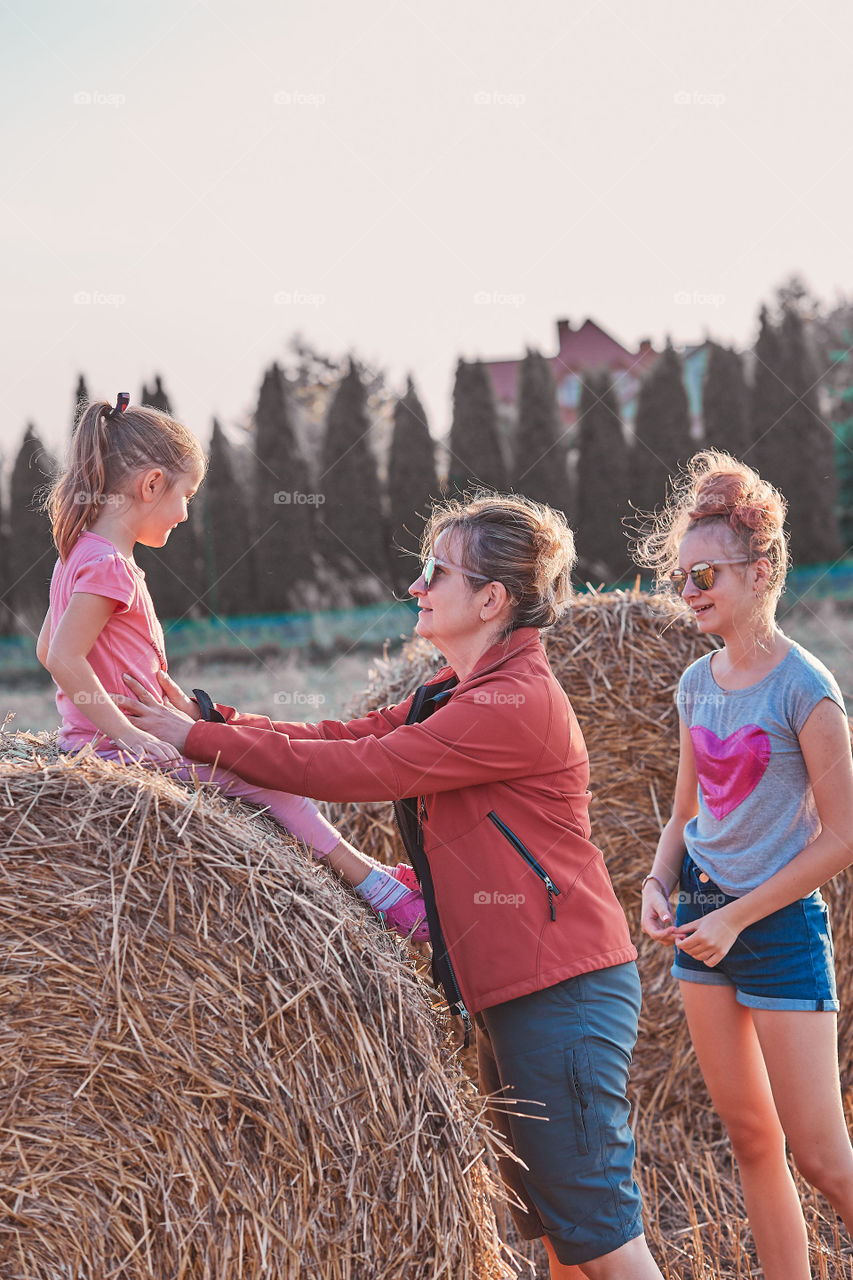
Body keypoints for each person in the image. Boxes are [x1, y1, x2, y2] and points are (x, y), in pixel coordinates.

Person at [116, 491, 666, 1279]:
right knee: (562, 1240)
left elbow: (367, 769)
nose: (416, 586)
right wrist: (216, 721)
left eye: (435, 572)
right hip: (518, 995)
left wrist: (197, 742)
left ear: (490, 599)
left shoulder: (513, 703)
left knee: (606, 1243)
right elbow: (347, 734)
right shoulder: (453, 690)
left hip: (563, 993)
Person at [36, 393, 426, 942]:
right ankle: (381, 891)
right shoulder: (109, 567)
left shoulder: (75, 555)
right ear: (150, 485)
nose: (187, 513)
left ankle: (375, 877)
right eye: (185, 494)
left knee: (257, 772)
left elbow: (46, 651)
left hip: (94, 745)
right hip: (117, 752)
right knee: (271, 780)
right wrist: (126, 733)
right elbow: (61, 657)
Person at [637, 450, 853, 1280]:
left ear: (759, 571)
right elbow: (686, 812)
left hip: (775, 928)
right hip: (699, 920)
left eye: (704, 574)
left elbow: (840, 837)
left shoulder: (806, 688)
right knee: (751, 1140)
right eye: (679, 576)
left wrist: (737, 915)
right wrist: (660, 884)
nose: (688, 590)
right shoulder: (697, 683)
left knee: (821, 1156)